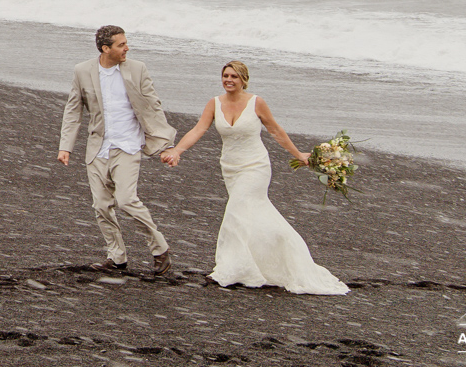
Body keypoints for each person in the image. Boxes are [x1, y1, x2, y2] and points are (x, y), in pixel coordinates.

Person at [160, 61, 348, 294]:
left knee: (236, 210)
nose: (229, 80)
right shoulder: (214, 103)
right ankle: (267, 260)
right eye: (226, 75)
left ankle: (230, 268)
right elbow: (198, 129)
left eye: (234, 77)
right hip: (230, 168)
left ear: (243, 80)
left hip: (256, 166)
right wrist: (177, 150)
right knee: (253, 215)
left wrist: (298, 154)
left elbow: (276, 131)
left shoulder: (256, 103)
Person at [58, 25, 177, 276]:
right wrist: (65, 146)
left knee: (126, 200)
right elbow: (73, 110)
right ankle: (117, 257)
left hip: (128, 146)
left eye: (126, 43)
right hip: (98, 147)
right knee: (101, 206)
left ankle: (159, 249)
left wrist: (165, 143)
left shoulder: (137, 68)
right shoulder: (83, 71)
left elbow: (154, 106)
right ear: (105, 49)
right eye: (121, 45)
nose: (127, 48)